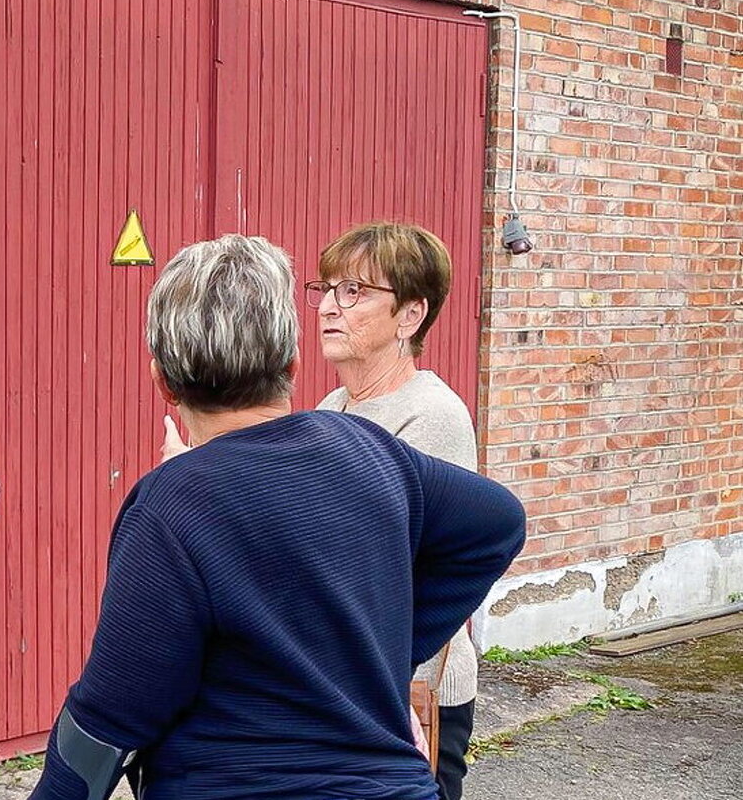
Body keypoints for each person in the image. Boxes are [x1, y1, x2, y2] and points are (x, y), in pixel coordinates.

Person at [28, 235, 525, 800]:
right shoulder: (367, 446)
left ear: (162, 382)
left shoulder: (170, 504)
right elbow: (499, 524)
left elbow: (108, 720)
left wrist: (384, 644)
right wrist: (377, 645)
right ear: (289, 365)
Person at [307, 221, 480, 799]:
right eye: (327, 288)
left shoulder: (430, 416)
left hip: (405, 693)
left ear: (410, 316)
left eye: (354, 291)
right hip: (348, 686)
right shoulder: (334, 406)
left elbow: (428, 572)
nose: (330, 306)